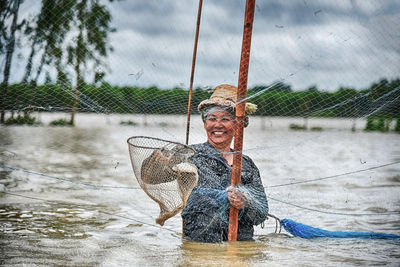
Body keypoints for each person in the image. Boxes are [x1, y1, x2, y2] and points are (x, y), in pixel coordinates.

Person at [181, 84, 269, 243]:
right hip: (199, 245)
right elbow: (152, 176)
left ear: (238, 125)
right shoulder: (190, 154)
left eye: (225, 119)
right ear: (205, 123)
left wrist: (245, 203)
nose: (217, 125)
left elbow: (262, 212)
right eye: (212, 119)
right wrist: (159, 161)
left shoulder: (246, 164)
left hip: (240, 246)